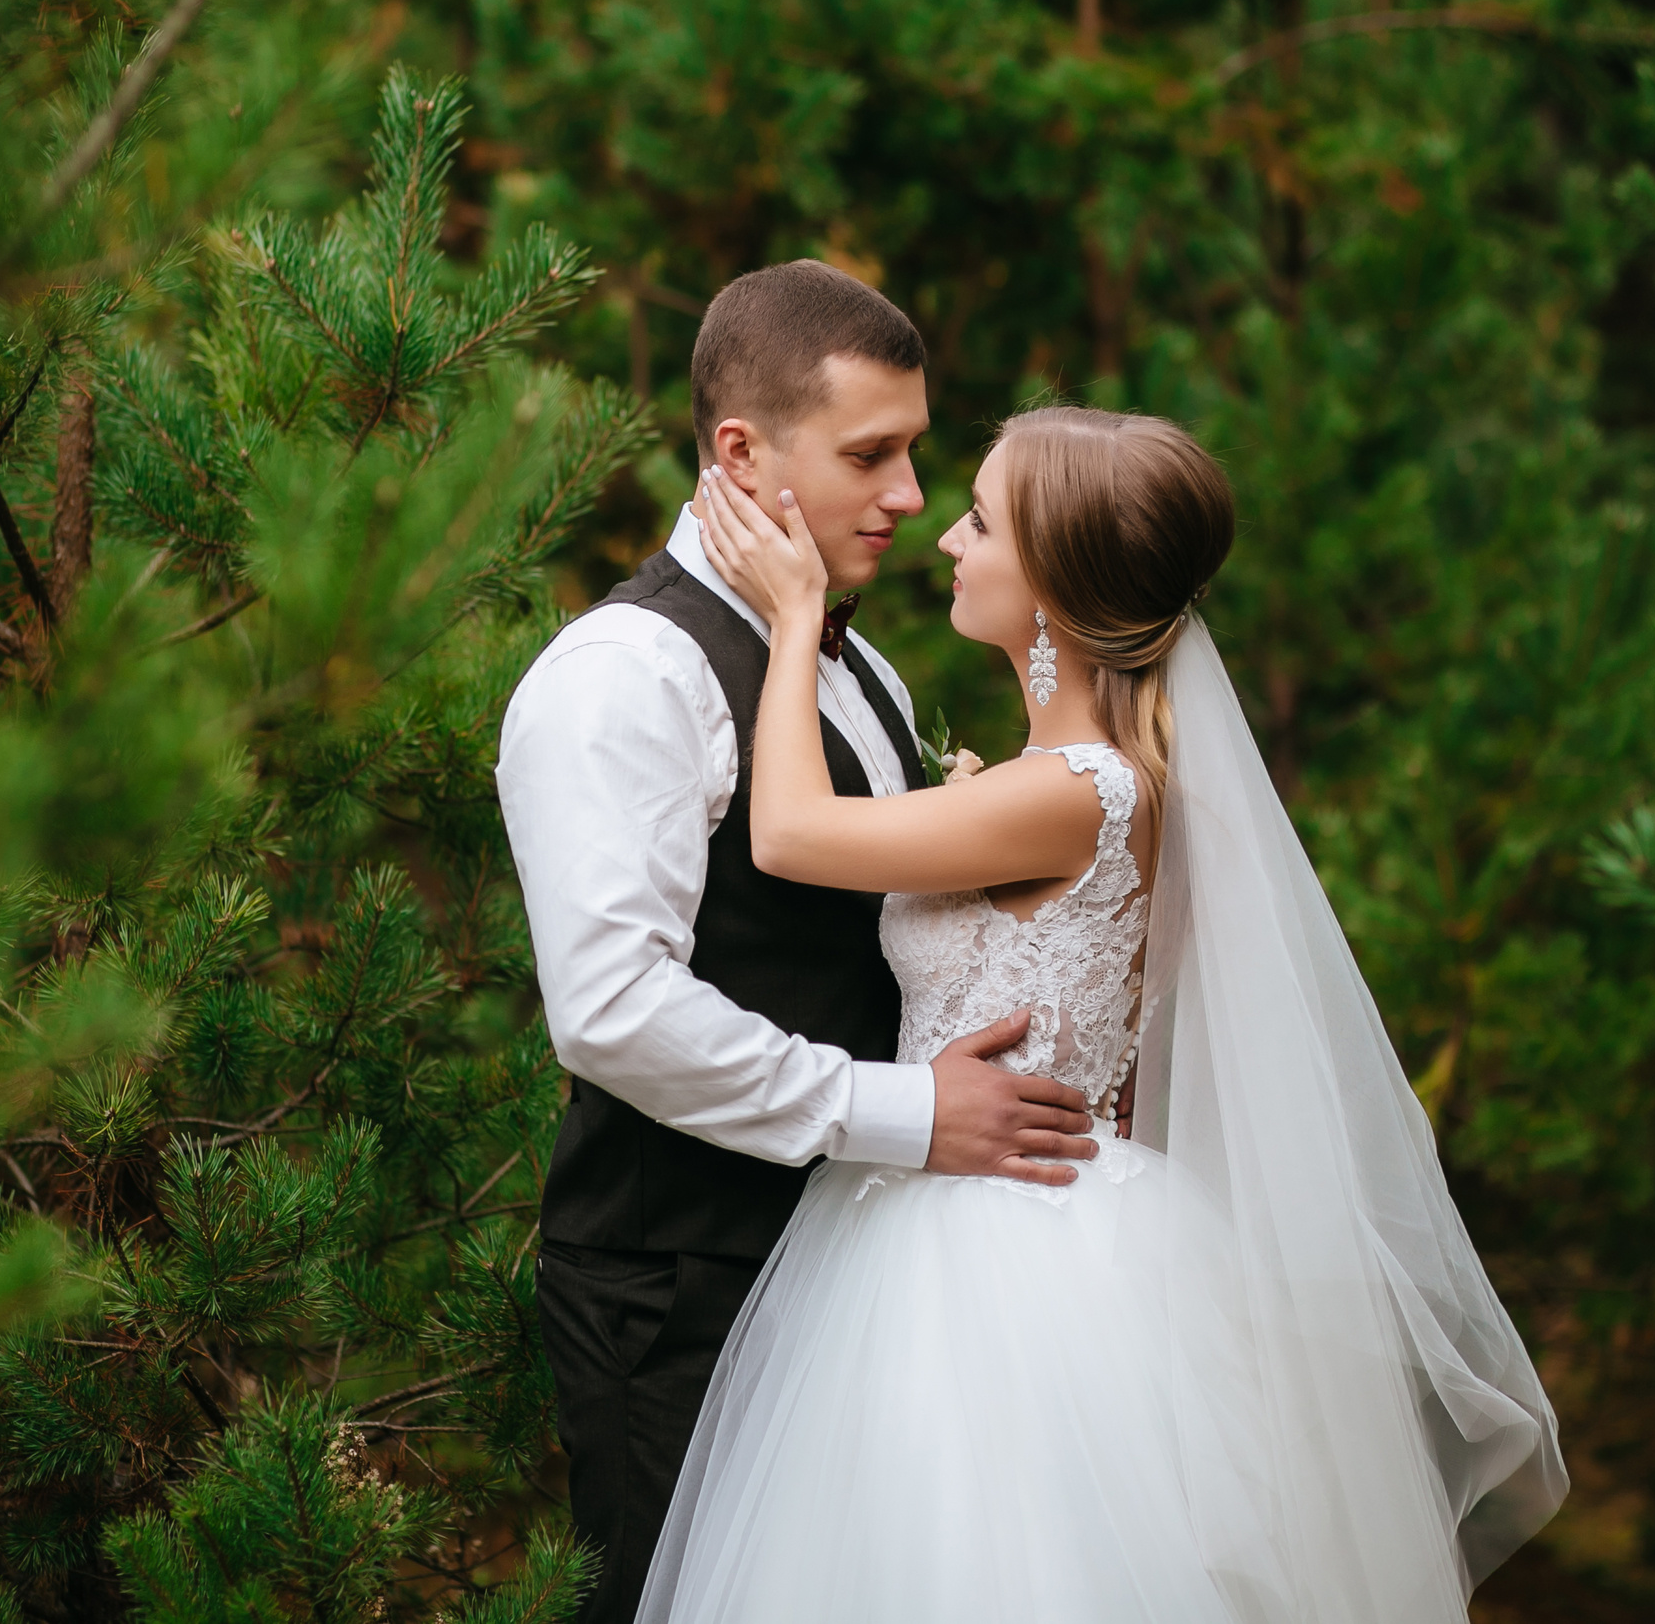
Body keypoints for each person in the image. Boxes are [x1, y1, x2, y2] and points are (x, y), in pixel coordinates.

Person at [639, 407, 1568, 1622]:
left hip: (992, 1255)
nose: (946, 543)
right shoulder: (1092, 786)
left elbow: (789, 834)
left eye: (979, 520)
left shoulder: (1075, 790)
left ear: (1053, 589)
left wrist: (796, 611)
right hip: (1000, 1215)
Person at [493, 261, 1103, 1624]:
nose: (908, 498)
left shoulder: (853, 660)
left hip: (857, 1277)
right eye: (871, 454)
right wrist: (906, 1111)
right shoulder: (620, 680)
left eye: (917, 456)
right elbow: (611, 1011)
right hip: (682, 1293)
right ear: (740, 452)